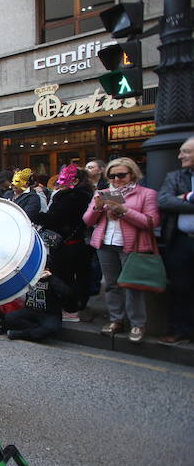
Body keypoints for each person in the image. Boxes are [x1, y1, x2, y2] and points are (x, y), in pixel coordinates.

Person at [83, 157, 159, 343]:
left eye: (121, 175)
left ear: (132, 174)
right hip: (105, 244)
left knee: (132, 286)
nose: (116, 180)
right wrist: (98, 208)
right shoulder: (102, 192)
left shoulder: (146, 194)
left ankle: (137, 323)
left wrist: (124, 210)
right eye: (112, 176)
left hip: (131, 245)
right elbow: (87, 220)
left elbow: (151, 222)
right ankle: (116, 320)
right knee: (111, 284)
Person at [30, 164, 93, 321]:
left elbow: (56, 219)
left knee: (67, 277)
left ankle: (71, 308)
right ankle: (70, 305)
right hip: (67, 243)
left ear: (76, 181)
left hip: (70, 245)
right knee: (67, 276)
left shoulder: (75, 197)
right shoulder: (67, 195)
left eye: (64, 179)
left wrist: (35, 216)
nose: (59, 181)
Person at [157, 137, 194, 345]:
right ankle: (179, 329)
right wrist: (190, 197)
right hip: (181, 241)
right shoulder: (175, 176)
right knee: (180, 286)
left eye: (186, 152)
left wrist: (183, 198)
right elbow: (164, 200)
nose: (180, 156)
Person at [3, 264, 74, 342]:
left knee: (50, 328)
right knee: (10, 317)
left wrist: (51, 277)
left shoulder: (54, 278)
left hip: (49, 313)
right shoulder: (30, 276)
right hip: (31, 310)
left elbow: (67, 293)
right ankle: (36, 331)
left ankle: (21, 334)